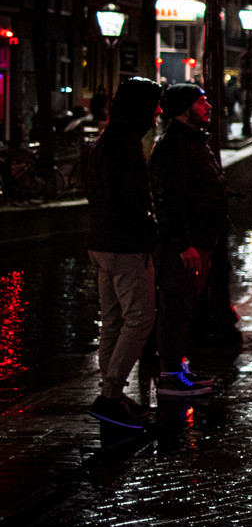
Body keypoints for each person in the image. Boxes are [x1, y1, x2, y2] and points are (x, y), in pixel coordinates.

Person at [84, 78, 163, 429]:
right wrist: (151, 227)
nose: (159, 112)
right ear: (141, 107)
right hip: (126, 245)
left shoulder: (103, 141)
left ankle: (111, 393)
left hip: (101, 242)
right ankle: (110, 396)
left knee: (113, 319)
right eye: (154, 105)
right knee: (141, 317)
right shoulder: (124, 145)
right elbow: (127, 200)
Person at [149, 84, 228, 398]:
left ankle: (178, 368)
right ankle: (169, 376)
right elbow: (168, 200)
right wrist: (184, 244)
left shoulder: (193, 141)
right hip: (187, 245)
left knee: (185, 307)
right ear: (183, 110)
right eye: (200, 102)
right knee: (176, 306)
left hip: (200, 239)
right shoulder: (173, 148)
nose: (207, 106)